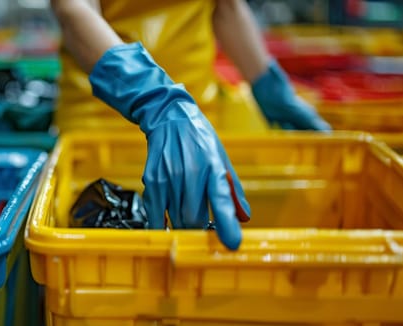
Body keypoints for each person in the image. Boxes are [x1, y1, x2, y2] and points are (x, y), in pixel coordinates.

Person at [51, 0, 330, 250]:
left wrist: (267, 85)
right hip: (101, 126)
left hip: (199, 126)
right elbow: (74, 7)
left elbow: (227, 7)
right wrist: (155, 99)